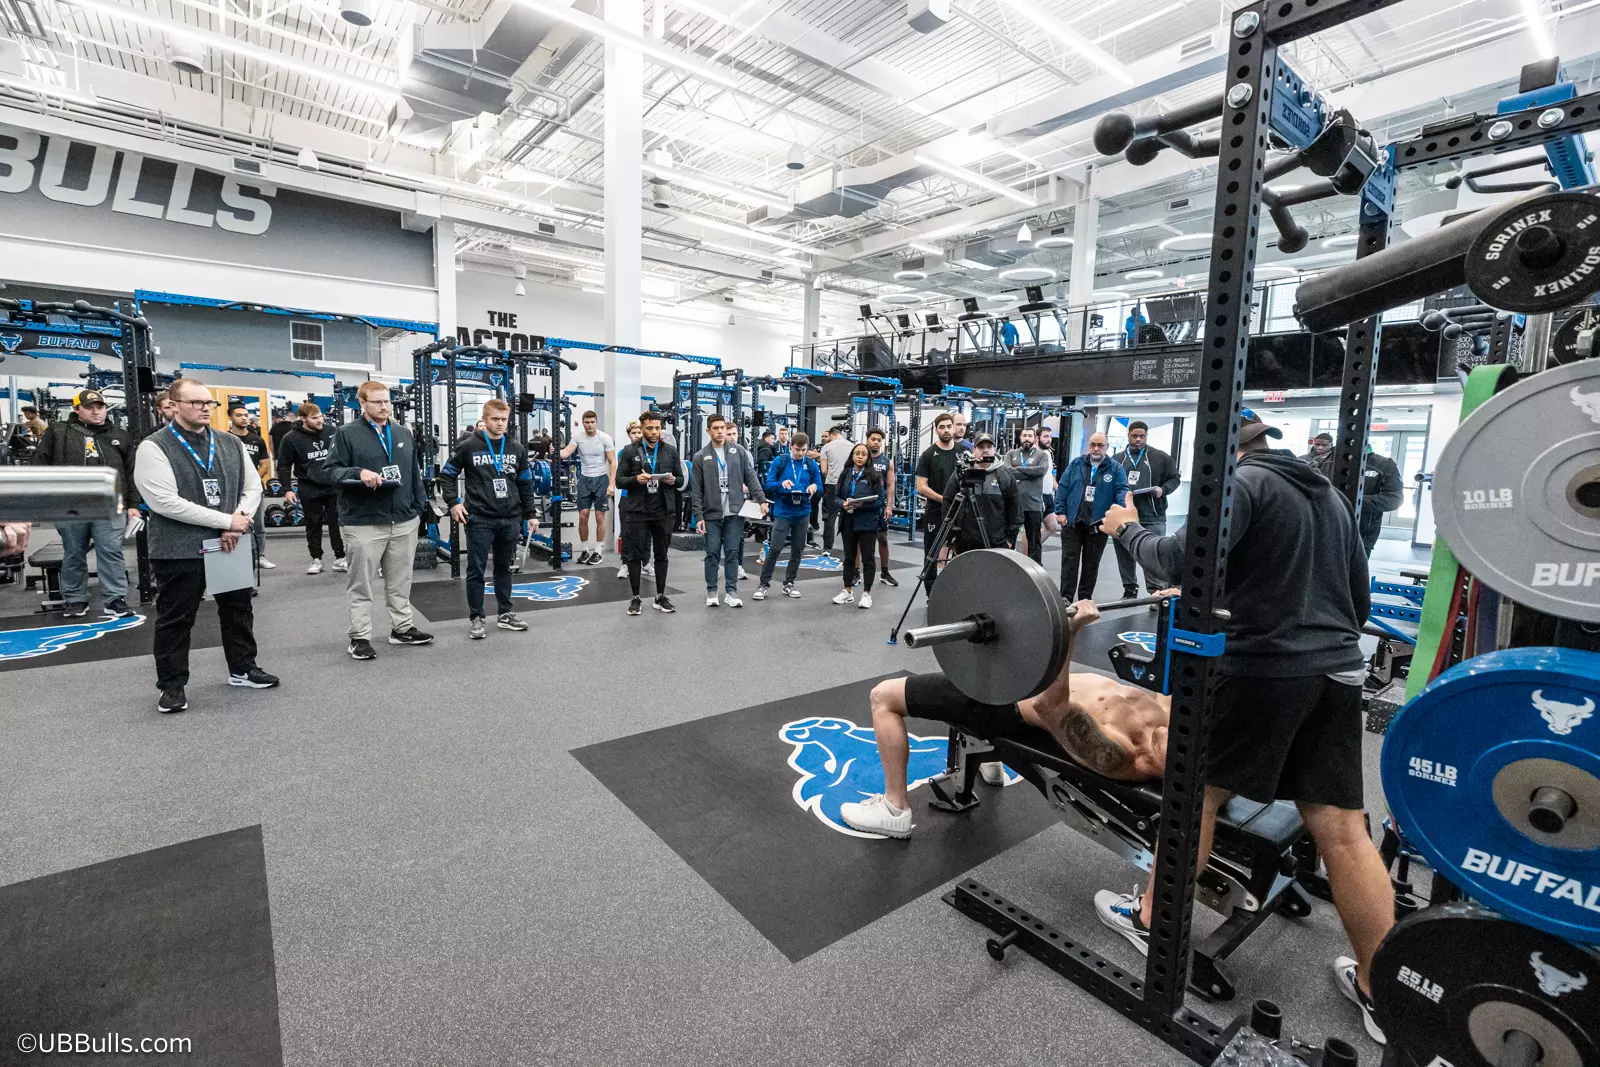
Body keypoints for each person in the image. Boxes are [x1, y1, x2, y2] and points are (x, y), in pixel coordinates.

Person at [1099, 409, 1393, 1043]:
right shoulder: (1332, 497)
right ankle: (1383, 987)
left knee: (1195, 791)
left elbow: (1179, 557)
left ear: (1221, 452)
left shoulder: (1243, 484)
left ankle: (1152, 922)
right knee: (1342, 829)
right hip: (1337, 670)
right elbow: (1357, 599)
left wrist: (1128, 531)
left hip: (1266, 670)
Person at [840, 597, 1169, 839]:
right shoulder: (1171, 723)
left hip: (1003, 706)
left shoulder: (1122, 755)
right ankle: (989, 762)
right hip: (1028, 680)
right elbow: (1184, 675)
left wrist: (1070, 631)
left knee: (883, 696)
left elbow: (1049, 707)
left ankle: (894, 809)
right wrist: (1178, 613)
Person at [133, 379, 278, 713]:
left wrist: (238, 520)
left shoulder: (230, 442)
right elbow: (164, 501)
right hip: (179, 548)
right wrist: (226, 522)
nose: (203, 408)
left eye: (208, 403)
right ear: (174, 405)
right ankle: (171, 686)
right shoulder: (154, 446)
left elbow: (253, 487)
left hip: (229, 544)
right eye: (195, 402)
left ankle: (243, 668)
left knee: (238, 609)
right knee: (176, 619)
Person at [328, 381, 433, 660]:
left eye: (386, 401)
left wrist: (418, 508)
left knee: (400, 580)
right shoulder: (346, 434)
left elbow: (413, 471)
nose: (384, 407)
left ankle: (402, 628)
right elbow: (330, 472)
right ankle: (359, 637)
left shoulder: (402, 432)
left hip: (403, 519)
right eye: (377, 402)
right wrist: (358, 472)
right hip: (363, 521)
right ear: (362, 404)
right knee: (361, 584)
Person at [437, 398, 539, 639]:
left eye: (504, 419)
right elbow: (447, 476)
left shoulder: (516, 448)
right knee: (476, 569)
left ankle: (505, 613)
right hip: (480, 517)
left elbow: (525, 484)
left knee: (504, 567)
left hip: (509, 517)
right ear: (484, 419)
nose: (500, 423)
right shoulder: (468, 446)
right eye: (495, 419)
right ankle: (477, 617)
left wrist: (531, 514)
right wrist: (453, 503)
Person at [32, 388, 137, 618]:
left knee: (111, 550)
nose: (96, 411)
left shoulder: (119, 435)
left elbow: (131, 472)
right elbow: (40, 465)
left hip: (110, 504)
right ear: (77, 409)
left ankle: (115, 598)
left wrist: (133, 505)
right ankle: (75, 598)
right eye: (89, 407)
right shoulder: (58, 433)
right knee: (74, 552)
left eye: (100, 407)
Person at [690, 413, 766, 608]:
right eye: (715, 428)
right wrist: (698, 515)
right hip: (712, 513)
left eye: (722, 427)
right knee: (712, 552)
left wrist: (761, 499)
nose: (720, 431)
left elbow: (751, 477)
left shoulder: (738, 452)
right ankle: (712, 590)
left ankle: (731, 591)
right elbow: (696, 490)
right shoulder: (700, 456)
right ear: (709, 431)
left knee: (732, 552)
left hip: (734, 512)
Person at [615, 410, 681, 615]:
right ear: (641, 428)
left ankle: (660, 596)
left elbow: (680, 480)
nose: (654, 432)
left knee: (662, 555)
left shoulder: (670, 451)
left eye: (658, 428)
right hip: (637, 511)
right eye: (650, 428)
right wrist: (636, 480)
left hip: (663, 510)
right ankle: (636, 597)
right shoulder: (628, 451)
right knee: (634, 555)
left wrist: (672, 480)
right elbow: (619, 481)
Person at [1052, 431, 1129, 601]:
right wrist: (1061, 511)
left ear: (1107, 447)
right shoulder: (1076, 464)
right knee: (1069, 564)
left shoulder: (1115, 468)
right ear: (1089, 446)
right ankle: (1065, 599)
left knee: (1091, 566)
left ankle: (1085, 600)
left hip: (1098, 526)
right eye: (1093, 444)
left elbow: (1121, 490)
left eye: (1100, 445)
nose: (1096, 449)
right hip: (1073, 523)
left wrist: (1122, 509)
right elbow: (1063, 488)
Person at [1113, 421, 1181, 601]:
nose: (1138, 440)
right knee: (1124, 556)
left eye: (1141, 436)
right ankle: (1129, 591)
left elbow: (1175, 478)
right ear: (1128, 435)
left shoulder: (1160, 458)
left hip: (1153, 516)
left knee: (1153, 555)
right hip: (1125, 515)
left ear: (1146, 436)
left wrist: (1162, 490)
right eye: (1134, 436)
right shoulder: (1117, 459)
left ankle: (1156, 594)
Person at [276, 402, 346, 575]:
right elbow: (284, 465)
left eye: (320, 416)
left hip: (332, 484)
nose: (320, 420)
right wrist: (287, 489)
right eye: (315, 418)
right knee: (313, 524)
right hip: (308, 485)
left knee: (336, 523)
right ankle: (316, 559)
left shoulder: (332, 432)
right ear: (303, 419)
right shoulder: (291, 438)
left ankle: (340, 558)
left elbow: (344, 456)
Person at [756, 431, 819, 601]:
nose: (800, 453)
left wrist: (814, 487)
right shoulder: (780, 461)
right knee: (775, 548)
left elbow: (819, 485)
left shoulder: (811, 464)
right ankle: (763, 584)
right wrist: (781, 484)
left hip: (803, 512)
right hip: (783, 512)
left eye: (803, 450)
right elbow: (768, 485)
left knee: (798, 549)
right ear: (791, 446)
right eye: (797, 449)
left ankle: (789, 583)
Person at [940, 434, 1019, 553]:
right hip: (966, 541)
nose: (985, 450)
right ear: (974, 450)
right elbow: (948, 502)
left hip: (996, 542)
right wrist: (952, 536)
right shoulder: (962, 473)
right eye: (981, 447)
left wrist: (1010, 539)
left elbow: (1015, 507)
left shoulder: (1005, 475)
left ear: (994, 449)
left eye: (989, 446)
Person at [832, 442, 885, 608]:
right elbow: (834, 497)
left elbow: (880, 500)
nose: (860, 456)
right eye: (857, 453)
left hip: (867, 523)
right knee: (848, 558)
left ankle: (866, 594)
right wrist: (843, 504)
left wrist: (861, 504)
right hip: (848, 521)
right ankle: (847, 591)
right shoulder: (845, 474)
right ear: (852, 456)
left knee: (868, 558)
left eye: (863, 454)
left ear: (868, 457)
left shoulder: (875, 476)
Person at [560, 410, 616, 566]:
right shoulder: (578, 438)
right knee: (583, 515)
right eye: (587, 422)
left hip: (601, 480)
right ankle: (584, 550)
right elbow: (565, 453)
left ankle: (598, 551)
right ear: (583, 423)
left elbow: (612, 462)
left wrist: (611, 484)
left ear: (596, 422)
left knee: (599, 517)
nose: (590, 425)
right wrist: (555, 452)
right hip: (584, 480)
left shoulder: (604, 438)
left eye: (592, 422)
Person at [913, 412, 961, 592]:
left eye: (949, 426)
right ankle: (930, 593)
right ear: (936, 430)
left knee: (961, 551)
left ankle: (959, 590)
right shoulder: (928, 455)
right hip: (936, 511)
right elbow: (921, 486)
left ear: (953, 427)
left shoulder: (963, 452)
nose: (946, 430)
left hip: (960, 511)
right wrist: (944, 499)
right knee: (932, 552)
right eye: (942, 427)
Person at [227, 403, 276, 571]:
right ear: (230, 417)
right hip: (231, 491)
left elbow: (264, 465)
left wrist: (251, 483)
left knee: (258, 525)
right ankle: (235, 556)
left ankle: (259, 556)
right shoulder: (225, 439)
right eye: (239, 415)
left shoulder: (257, 440)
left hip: (254, 489)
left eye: (246, 415)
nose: (244, 418)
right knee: (231, 524)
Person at [613, 421, 652, 582]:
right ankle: (625, 564)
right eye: (634, 433)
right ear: (629, 435)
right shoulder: (624, 452)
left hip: (647, 498)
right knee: (627, 531)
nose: (637, 435)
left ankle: (646, 563)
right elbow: (622, 477)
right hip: (627, 497)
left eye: (639, 432)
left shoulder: (650, 451)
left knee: (647, 532)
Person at [1004, 427, 1050, 563]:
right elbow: (1006, 471)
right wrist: (1030, 471)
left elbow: (1041, 471)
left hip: (1033, 505)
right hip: (1013, 505)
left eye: (1030, 436)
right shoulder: (1011, 453)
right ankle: (1007, 566)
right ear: (1020, 437)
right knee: (1009, 540)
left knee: (1034, 542)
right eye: (1024, 435)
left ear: (1035, 438)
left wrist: (1017, 469)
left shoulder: (1042, 455)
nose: (1027, 438)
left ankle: (1035, 570)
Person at [865, 427, 898, 587]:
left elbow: (890, 485)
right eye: (873, 439)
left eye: (879, 440)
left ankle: (884, 573)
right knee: (860, 541)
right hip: (863, 506)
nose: (876, 442)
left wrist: (889, 507)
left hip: (879, 507)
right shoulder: (861, 458)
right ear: (867, 440)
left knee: (883, 539)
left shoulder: (887, 462)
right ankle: (856, 574)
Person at [818, 425, 854, 554]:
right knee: (849, 516)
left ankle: (827, 548)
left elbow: (823, 470)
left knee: (830, 518)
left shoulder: (827, 447)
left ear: (832, 435)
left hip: (832, 485)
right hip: (848, 484)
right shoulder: (851, 446)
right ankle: (850, 548)